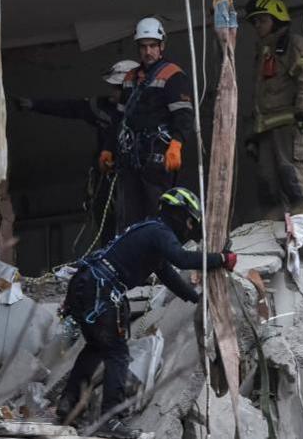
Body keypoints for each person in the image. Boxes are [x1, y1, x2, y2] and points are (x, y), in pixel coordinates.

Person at [56, 187, 236, 438]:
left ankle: (67, 406)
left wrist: (194, 298)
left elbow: (168, 273)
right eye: (190, 221)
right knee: (117, 354)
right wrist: (221, 259)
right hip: (100, 289)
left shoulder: (150, 231)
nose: (189, 227)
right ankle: (111, 420)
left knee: (96, 348)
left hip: (86, 285)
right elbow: (182, 259)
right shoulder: (160, 232)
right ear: (179, 215)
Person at [15, 60, 139, 246]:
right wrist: (34, 105)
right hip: (105, 177)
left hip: (134, 178)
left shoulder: (145, 112)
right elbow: (70, 108)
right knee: (105, 223)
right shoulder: (101, 108)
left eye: (118, 88)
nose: (114, 92)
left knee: (134, 225)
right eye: (113, 87)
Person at [103, 17, 195, 232]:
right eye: (143, 47)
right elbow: (119, 119)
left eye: (153, 46)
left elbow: (183, 115)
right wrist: (108, 148)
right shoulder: (130, 78)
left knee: (158, 210)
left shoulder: (172, 75)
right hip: (131, 156)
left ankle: (161, 258)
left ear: (162, 46)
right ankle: (135, 260)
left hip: (158, 155)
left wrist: (177, 144)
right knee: (130, 215)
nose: (148, 51)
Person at [244, 0, 303, 218]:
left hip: (291, 128)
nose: (258, 26)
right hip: (267, 131)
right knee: (267, 181)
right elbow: (259, 97)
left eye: (262, 20)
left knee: (292, 175)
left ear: (277, 20)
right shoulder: (263, 52)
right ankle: (272, 229)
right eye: (255, 22)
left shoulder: (295, 45)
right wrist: (252, 136)